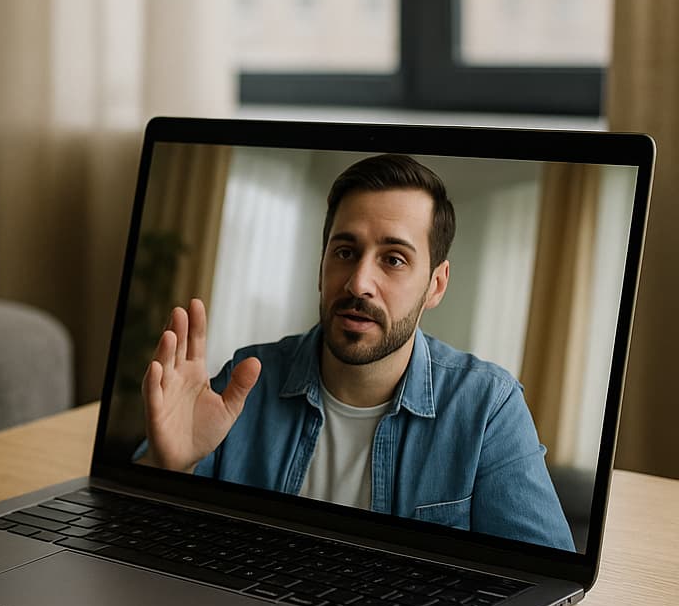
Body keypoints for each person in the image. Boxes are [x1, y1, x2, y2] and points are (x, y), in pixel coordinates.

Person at [139, 154, 575, 551]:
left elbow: (547, 579)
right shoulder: (248, 379)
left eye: (394, 259)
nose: (358, 282)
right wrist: (167, 466)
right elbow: (148, 543)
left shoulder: (487, 406)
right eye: (345, 252)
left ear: (436, 285)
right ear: (322, 265)